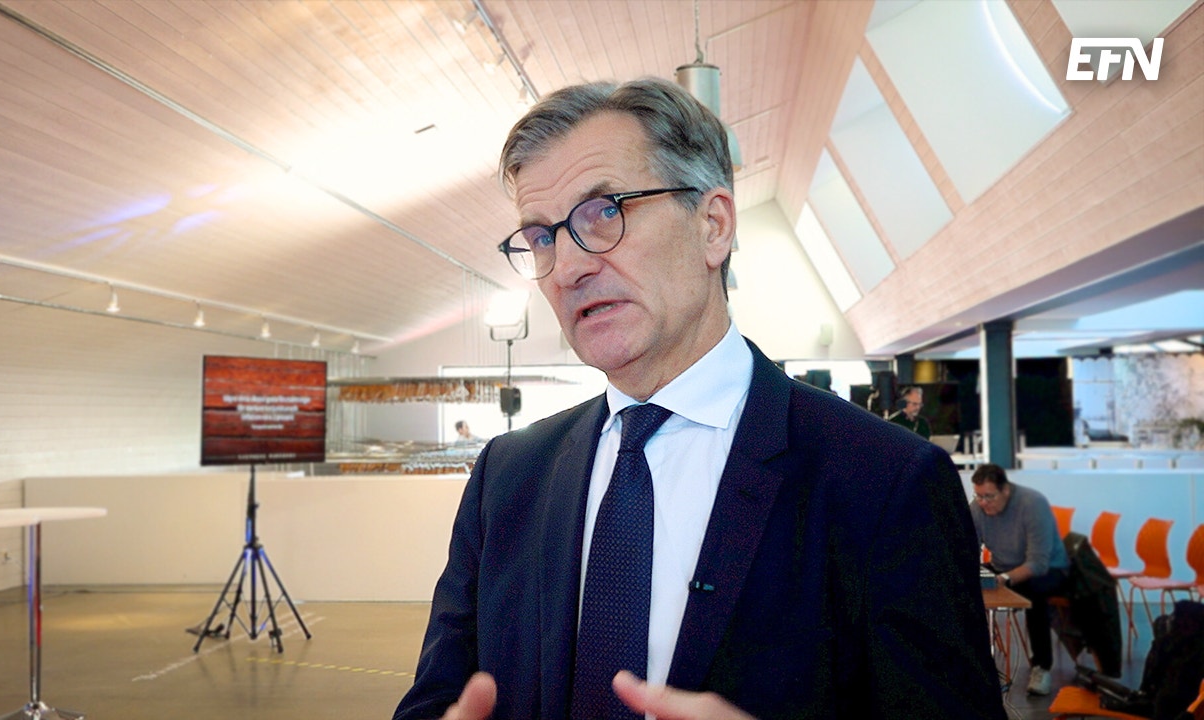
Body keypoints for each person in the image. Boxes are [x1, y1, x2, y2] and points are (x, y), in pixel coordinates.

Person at [395, 78, 1004, 719]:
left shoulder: (884, 480)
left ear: (713, 226)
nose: (568, 268)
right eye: (542, 238)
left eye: (604, 212)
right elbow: (434, 699)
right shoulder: (508, 476)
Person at [970, 463, 1070, 697]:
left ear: (1005, 490)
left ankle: (1041, 667)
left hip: (1049, 569)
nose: (983, 503)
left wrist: (1004, 579)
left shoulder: (1032, 504)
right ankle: (974, 660)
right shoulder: (977, 508)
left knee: (1035, 594)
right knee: (962, 586)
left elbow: (1038, 562)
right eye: (979, 496)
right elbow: (969, 547)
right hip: (1004, 566)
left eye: (989, 496)